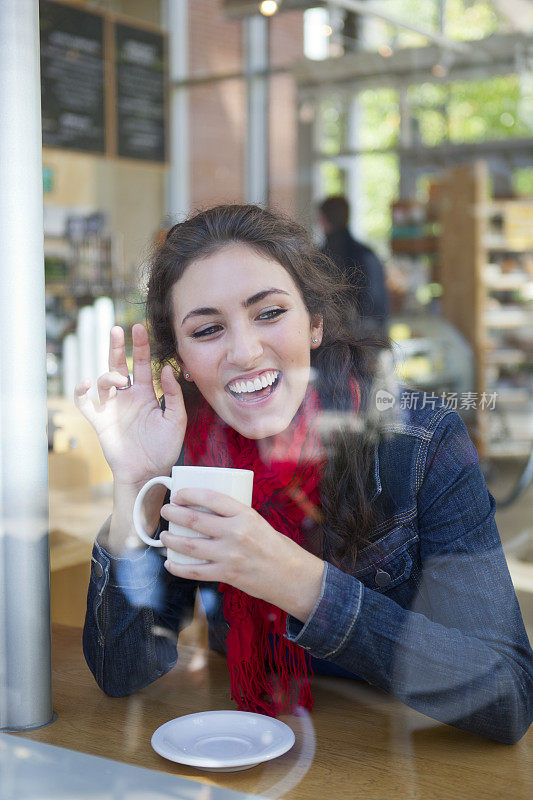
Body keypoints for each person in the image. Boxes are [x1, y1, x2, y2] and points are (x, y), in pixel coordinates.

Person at [76, 204, 533, 743]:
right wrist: (136, 483)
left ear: (315, 322)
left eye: (269, 313)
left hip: (396, 756)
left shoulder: (421, 439)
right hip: (247, 750)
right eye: (207, 330)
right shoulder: (187, 451)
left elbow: (507, 695)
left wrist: (299, 582)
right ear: (180, 361)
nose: (245, 352)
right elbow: (122, 671)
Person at [318, 195, 389, 335]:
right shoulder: (366, 254)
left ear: (323, 219)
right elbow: (379, 307)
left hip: (332, 341)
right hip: (368, 340)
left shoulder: (319, 258)